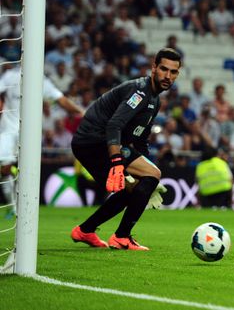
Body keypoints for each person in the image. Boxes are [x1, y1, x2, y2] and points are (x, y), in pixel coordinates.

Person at [70, 48, 182, 251]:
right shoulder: (139, 92)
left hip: (95, 143)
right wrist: (117, 162)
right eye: (164, 69)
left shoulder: (154, 100)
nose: (168, 76)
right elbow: (114, 126)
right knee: (151, 175)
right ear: (154, 67)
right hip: (94, 141)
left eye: (173, 72)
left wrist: (146, 180)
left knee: (131, 189)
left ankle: (85, 230)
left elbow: (140, 142)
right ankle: (121, 237)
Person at [0, 64, 84, 218]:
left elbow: (62, 101)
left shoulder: (41, 81)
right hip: (7, 130)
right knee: (4, 168)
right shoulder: (10, 75)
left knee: (25, 169)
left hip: (29, 133)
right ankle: (12, 206)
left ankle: (23, 206)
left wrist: (82, 112)